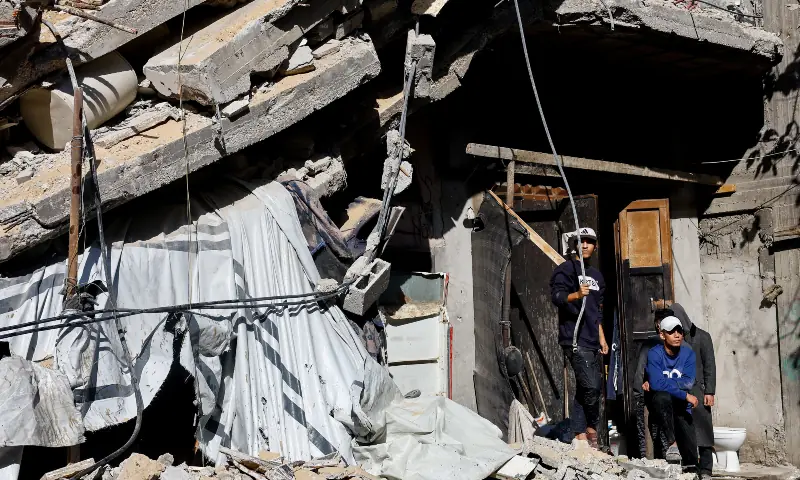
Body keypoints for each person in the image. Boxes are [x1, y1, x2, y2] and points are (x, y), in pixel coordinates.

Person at [550, 227, 608, 448]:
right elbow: (557, 297)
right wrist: (576, 294)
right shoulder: (565, 269)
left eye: (589, 241)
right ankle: (582, 431)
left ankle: (586, 432)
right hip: (574, 338)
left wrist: (602, 338)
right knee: (590, 385)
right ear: (574, 245)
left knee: (592, 388)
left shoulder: (597, 276)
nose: (584, 245)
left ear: (595, 246)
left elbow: (597, 312)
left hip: (593, 339)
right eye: (580, 241)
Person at [644, 316, 699, 469]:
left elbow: (688, 382)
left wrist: (661, 382)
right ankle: (672, 442)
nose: (677, 335)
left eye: (679, 331)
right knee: (662, 396)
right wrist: (685, 395)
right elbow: (657, 385)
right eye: (671, 332)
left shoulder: (688, 354)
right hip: (661, 405)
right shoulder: (654, 354)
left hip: (681, 405)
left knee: (692, 459)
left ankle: (692, 470)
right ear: (662, 335)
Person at [672, 303, 716, 478]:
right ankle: (691, 467)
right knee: (685, 430)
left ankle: (706, 469)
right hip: (681, 393)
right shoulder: (674, 340)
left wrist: (710, 392)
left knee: (703, 430)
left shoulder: (703, 337)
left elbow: (709, 366)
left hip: (699, 390)